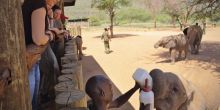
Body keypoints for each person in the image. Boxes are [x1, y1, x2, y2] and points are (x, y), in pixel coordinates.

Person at [22, 0, 59, 109]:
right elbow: (39, 39)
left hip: (33, 59)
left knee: (34, 99)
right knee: (31, 100)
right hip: (29, 59)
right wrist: (50, 36)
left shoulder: (34, 3)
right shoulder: (38, 3)